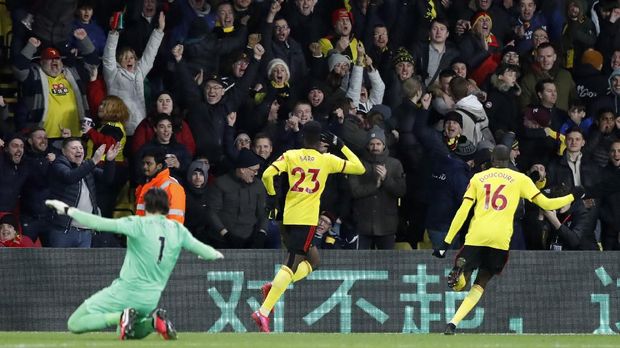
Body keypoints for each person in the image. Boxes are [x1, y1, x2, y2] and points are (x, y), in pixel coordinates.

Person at [433, 145, 581, 335]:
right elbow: (546, 204)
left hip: (476, 236)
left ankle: (460, 273)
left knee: (460, 285)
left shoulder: (478, 178)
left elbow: (463, 211)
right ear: (509, 161)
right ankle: (453, 323)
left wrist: (446, 243)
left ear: (492, 160)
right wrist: (573, 195)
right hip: (500, 240)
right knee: (481, 283)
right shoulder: (520, 179)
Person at [45, 187, 224, 340]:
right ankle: (154, 321)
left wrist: (68, 210)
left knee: (74, 323)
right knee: (128, 332)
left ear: (145, 205)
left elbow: (99, 223)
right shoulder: (177, 230)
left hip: (125, 292)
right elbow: (206, 251)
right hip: (150, 299)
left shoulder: (138, 224)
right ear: (167, 208)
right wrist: (213, 254)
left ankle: (120, 316)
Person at [251, 121, 365, 333]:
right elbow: (359, 167)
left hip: (288, 216)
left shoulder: (291, 155)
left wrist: (272, 196)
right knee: (293, 262)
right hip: (306, 219)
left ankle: (275, 285)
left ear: (303, 138)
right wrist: (340, 144)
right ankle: (264, 311)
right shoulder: (326, 160)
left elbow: (267, 174)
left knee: (314, 260)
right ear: (321, 140)